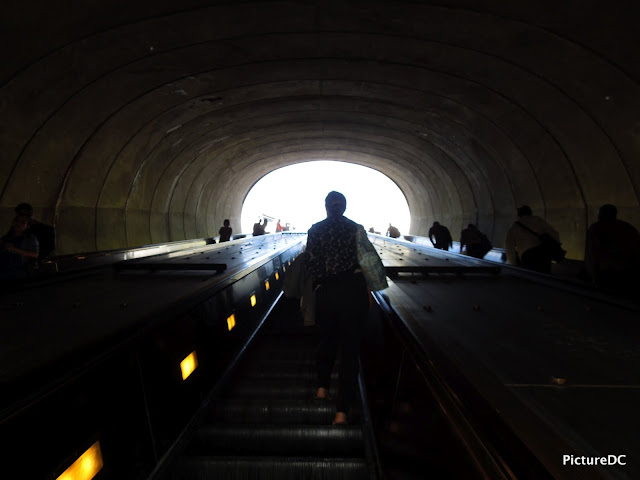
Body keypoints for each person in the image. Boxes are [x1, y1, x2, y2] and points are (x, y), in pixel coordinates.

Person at [305, 191, 385, 426]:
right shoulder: (355, 229)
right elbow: (368, 261)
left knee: (328, 339)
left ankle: (322, 387)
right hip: (353, 292)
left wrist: (321, 281)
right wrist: (373, 288)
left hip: (327, 293)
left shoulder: (315, 230)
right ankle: (341, 412)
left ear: (327, 207)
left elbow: (310, 261)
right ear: (344, 207)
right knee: (350, 350)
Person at [584, 204, 640, 293]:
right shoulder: (628, 228)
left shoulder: (595, 229)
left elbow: (593, 254)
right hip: (626, 273)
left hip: (611, 274)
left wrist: (595, 278)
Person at [505, 205, 560, 273]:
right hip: (543, 253)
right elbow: (554, 234)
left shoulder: (514, 227)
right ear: (530, 212)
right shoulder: (538, 220)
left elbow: (510, 247)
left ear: (519, 215)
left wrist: (513, 264)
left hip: (527, 257)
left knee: (531, 277)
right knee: (545, 275)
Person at [0, 215, 40, 279]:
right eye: (17, 221)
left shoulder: (30, 238)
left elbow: (35, 254)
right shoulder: (6, 237)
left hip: (18, 272)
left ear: (27, 226)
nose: (18, 224)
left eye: (23, 222)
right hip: (3, 270)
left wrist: (15, 249)